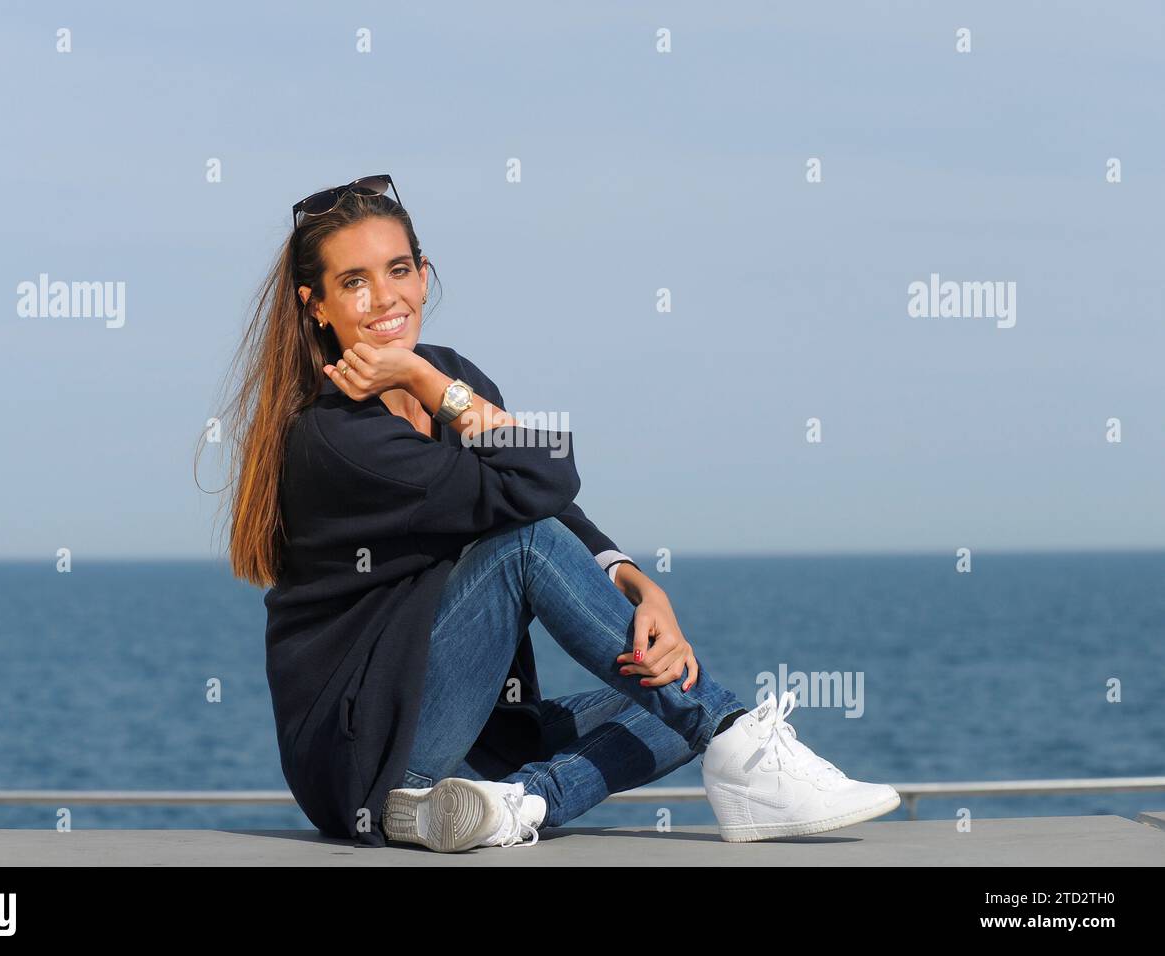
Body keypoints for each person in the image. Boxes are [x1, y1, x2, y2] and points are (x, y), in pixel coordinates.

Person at [220, 174, 900, 852]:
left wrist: (637, 582)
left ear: (424, 276)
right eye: (355, 281)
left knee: (673, 686)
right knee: (530, 553)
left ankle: (513, 804)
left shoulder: (451, 374)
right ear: (315, 306)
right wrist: (428, 382)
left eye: (398, 270)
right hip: (368, 756)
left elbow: (544, 490)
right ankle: (734, 745)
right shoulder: (337, 438)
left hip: (467, 737)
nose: (385, 297)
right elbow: (542, 482)